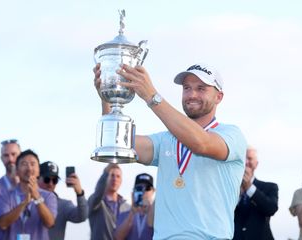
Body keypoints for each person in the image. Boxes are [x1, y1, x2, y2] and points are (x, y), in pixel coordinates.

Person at [93, 62, 247, 239]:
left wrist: (152, 96)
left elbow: (201, 143)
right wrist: (108, 98)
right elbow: (117, 141)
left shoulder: (231, 135)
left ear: (219, 97)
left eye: (201, 88)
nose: (192, 94)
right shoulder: (165, 140)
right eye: (187, 88)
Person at [0, 149, 58, 240]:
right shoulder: (5, 195)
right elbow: (3, 224)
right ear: (16, 170)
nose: (29, 168)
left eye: (33, 164)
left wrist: (37, 197)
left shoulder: (49, 196)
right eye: (24, 164)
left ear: (38, 170)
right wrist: (24, 203)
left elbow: (50, 223)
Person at [233, 147, 279, 240]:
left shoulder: (269, 187)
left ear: (256, 164)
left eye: (249, 158)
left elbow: (271, 208)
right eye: (243, 158)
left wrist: (249, 188)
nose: (246, 162)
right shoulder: (231, 189)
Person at [37, 161, 88, 240]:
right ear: (37, 179)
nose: (50, 184)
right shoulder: (27, 202)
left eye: (54, 180)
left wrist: (80, 193)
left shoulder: (63, 205)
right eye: (46, 179)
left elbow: (82, 216)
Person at [0, 139, 21, 240]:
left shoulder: (32, 186)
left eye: (14, 154)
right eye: (6, 155)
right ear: (1, 158)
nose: (10, 159)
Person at [88, 163, 131, 240]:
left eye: (118, 176)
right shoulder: (96, 202)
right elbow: (98, 193)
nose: (115, 179)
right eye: (112, 175)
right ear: (105, 177)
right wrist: (106, 171)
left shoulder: (127, 207)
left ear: (121, 180)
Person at [114, 173, 155, 240]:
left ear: (153, 191)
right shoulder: (124, 215)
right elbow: (118, 237)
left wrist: (150, 208)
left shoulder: (158, 216)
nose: (143, 191)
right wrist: (132, 212)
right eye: (139, 188)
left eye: (147, 188)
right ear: (134, 191)